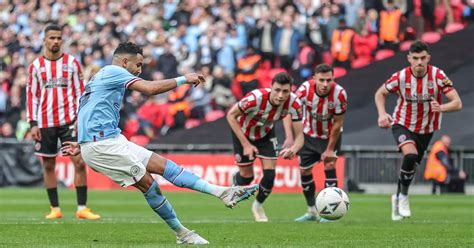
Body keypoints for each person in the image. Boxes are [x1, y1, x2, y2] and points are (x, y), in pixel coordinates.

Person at [61, 42, 258, 245]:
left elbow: (88, 108)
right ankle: (183, 233)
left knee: (164, 166)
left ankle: (222, 192)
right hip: (102, 145)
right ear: (125, 61)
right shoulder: (113, 71)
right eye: (138, 64)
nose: (139, 70)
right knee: (149, 184)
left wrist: (82, 142)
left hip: (107, 139)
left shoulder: (103, 76)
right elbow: (149, 88)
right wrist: (184, 79)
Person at [374, 40, 462, 221]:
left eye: (423, 58)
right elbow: (380, 93)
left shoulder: (438, 75)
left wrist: (442, 108)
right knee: (410, 155)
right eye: (415, 58)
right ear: (409, 59)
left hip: (427, 128)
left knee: (411, 166)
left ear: (428, 58)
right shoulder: (401, 77)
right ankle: (404, 196)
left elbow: (457, 103)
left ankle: (397, 196)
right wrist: (382, 114)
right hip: (402, 123)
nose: (419, 62)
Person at [26, 24, 100, 220]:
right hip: (45, 122)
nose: (56, 41)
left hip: (70, 121)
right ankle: (55, 208)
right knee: (48, 165)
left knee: (79, 161)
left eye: (59, 38)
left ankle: (82, 208)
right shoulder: (35, 66)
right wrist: (32, 123)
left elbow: (80, 92)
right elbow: (32, 96)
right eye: (52, 38)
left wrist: (80, 119)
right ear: (44, 40)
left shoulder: (72, 63)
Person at [226, 72, 304, 222]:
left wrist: (293, 149)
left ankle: (257, 206)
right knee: (247, 177)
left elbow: (300, 137)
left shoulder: (294, 104)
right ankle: (236, 179)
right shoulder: (255, 98)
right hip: (242, 133)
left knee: (270, 175)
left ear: (291, 90)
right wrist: (246, 144)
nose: (281, 95)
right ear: (271, 88)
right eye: (277, 90)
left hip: (266, 134)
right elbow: (231, 115)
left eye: (285, 91)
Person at [292, 64, 348, 222]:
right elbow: (293, 112)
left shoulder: (340, 94)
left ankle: (330, 213)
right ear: (314, 78)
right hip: (308, 135)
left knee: (330, 165)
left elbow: (337, 124)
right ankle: (311, 212)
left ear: (333, 79)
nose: (325, 84)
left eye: (328, 80)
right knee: (304, 172)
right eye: (321, 80)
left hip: (331, 135)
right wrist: (293, 138)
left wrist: (329, 149)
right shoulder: (304, 90)